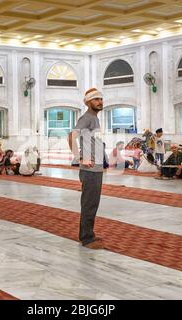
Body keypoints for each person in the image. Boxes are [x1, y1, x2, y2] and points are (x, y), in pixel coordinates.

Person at [68, 87, 104, 250]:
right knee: (89, 203)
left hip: (96, 169)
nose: (100, 102)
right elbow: (71, 136)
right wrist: (79, 157)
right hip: (89, 170)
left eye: (101, 99)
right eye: (96, 99)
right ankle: (86, 238)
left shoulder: (95, 119)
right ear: (88, 102)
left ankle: (89, 233)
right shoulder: (87, 118)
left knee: (93, 203)